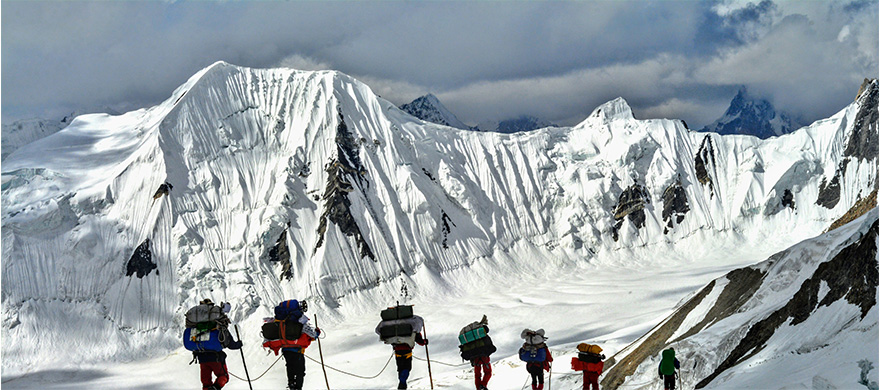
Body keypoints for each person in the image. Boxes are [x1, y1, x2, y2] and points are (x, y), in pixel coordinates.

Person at [262, 299, 320, 390]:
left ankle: (291, 385)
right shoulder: (299, 319)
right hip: (297, 350)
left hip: (285, 349)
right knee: (300, 371)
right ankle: (298, 388)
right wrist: (317, 333)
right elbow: (310, 334)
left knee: (290, 366)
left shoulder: (279, 319)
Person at [187, 299, 242, 390]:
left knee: (206, 383)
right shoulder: (218, 324)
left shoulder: (196, 325)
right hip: (216, 357)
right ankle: (215, 388)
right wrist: (238, 344)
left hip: (201, 357)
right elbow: (229, 343)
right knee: (223, 377)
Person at [376, 306, 428, 390]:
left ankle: (402, 383)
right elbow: (420, 341)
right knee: (407, 367)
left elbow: (379, 331)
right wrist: (425, 342)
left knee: (400, 368)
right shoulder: (414, 323)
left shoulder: (389, 324)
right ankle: (402, 383)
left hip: (397, 350)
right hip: (407, 350)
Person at [459, 315, 494, 390]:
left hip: (475, 358)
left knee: (477, 375)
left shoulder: (473, 338)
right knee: (488, 372)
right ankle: (483, 385)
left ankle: (478, 388)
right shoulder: (483, 337)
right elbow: (490, 345)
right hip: (484, 357)